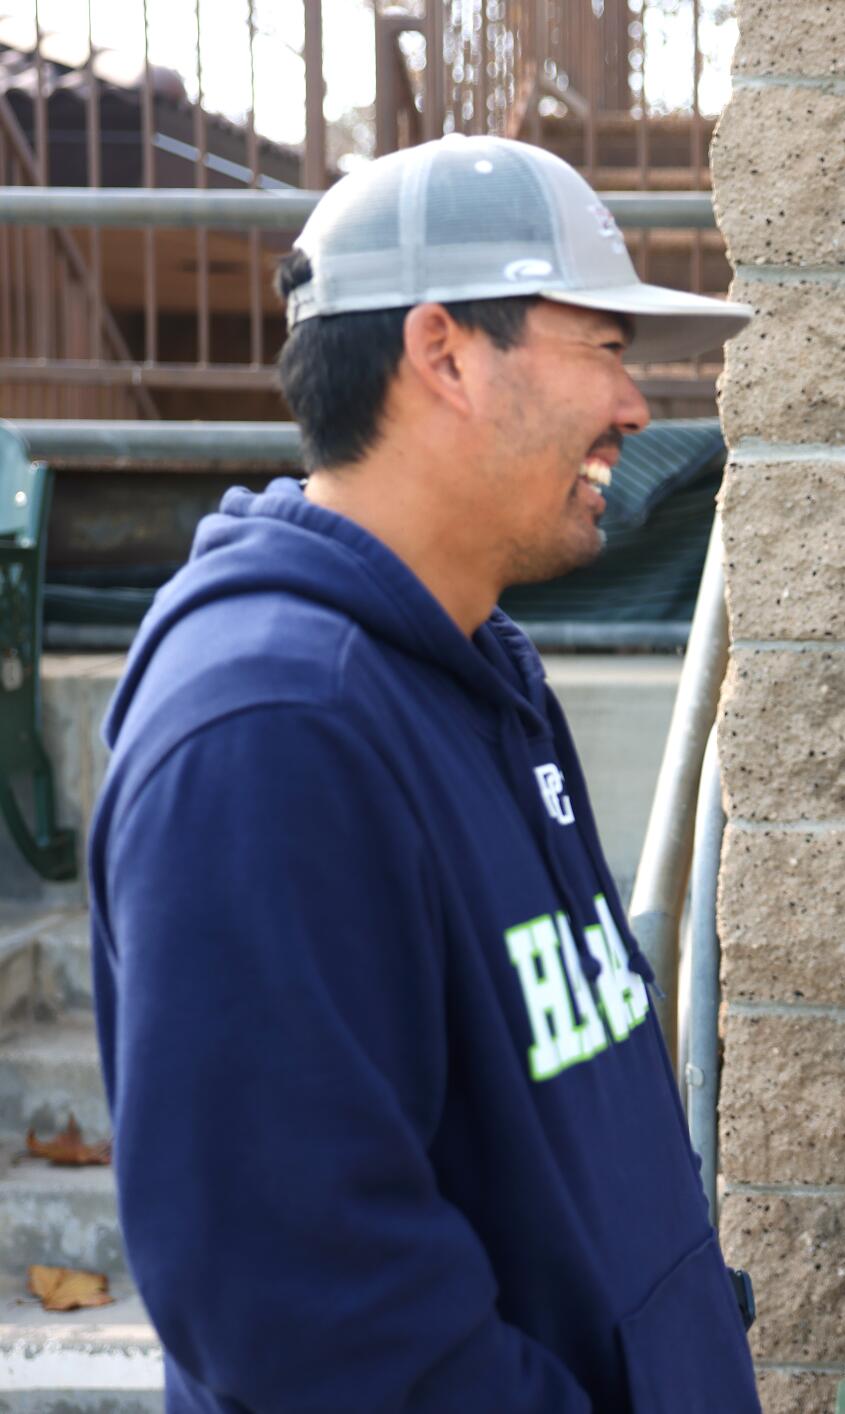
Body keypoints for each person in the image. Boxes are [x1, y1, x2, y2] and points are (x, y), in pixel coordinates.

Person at [89, 135, 762, 1413]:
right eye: (603, 347)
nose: (636, 405)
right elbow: (310, 1313)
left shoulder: (470, 663)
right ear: (443, 351)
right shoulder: (267, 733)